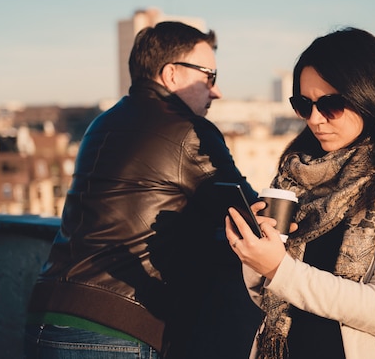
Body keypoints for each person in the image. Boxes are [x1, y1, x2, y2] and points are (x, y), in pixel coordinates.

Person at [24, 21, 262, 359]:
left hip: (46, 317)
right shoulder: (189, 131)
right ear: (172, 75)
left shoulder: (102, 122)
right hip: (115, 326)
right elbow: (252, 216)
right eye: (209, 76)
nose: (216, 91)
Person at [225, 27, 375, 359]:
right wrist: (256, 254)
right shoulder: (297, 176)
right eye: (304, 105)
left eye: (331, 104)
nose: (315, 119)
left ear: (371, 96)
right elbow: (267, 296)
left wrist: (279, 268)